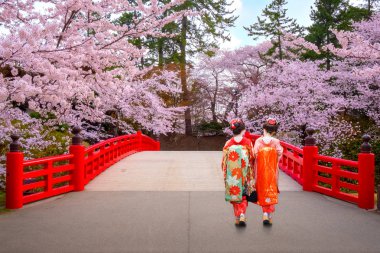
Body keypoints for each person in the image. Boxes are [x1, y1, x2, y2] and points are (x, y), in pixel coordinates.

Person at [221, 119, 255, 226]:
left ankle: (237, 216)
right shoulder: (248, 142)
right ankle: (242, 215)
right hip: (244, 173)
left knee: (235, 194)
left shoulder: (228, 143)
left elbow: (224, 162)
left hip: (233, 175)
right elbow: (252, 157)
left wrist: (226, 173)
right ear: (243, 130)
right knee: (243, 195)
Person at [253, 118, 283, 226]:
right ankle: (269, 214)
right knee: (271, 188)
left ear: (264, 129)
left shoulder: (258, 141)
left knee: (262, 189)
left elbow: (255, 154)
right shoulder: (276, 142)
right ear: (274, 131)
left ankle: (265, 213)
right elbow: (279, 153)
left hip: (261, 170)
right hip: (271, 170)